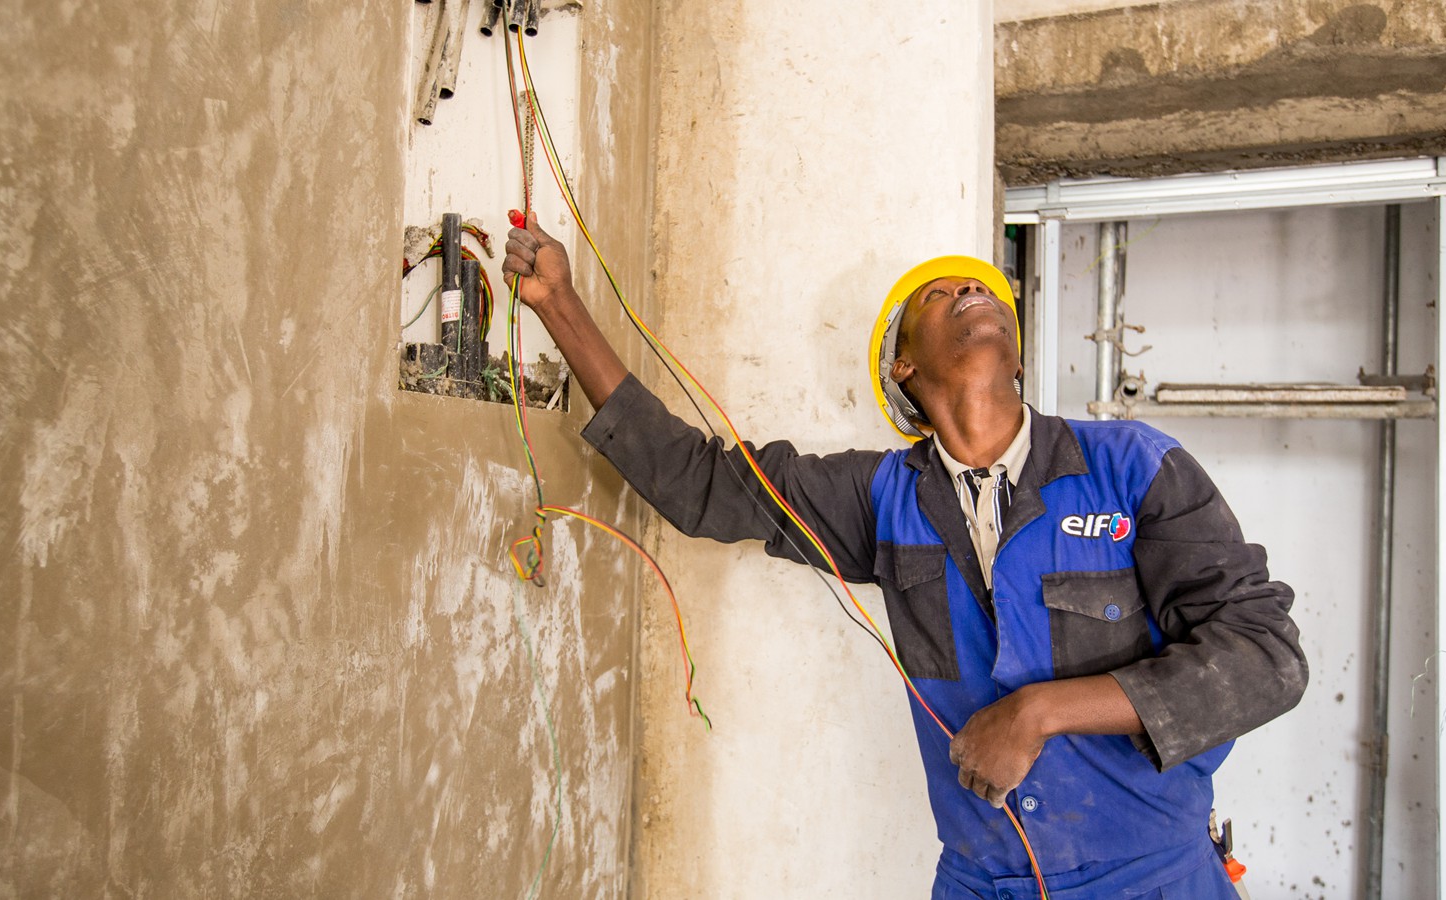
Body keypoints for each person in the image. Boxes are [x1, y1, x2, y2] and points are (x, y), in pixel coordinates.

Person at [501, 218, 1307, 900]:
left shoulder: (1133, 466)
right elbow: (698, 482)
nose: (972, 293)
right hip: (983, 881)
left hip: (1156, 875)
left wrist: (1040, 712)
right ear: (904, 366)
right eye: (941, 294)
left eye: (985, 291)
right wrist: (560, 305)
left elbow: (1266, 658)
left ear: (1016, 357)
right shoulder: (879, 497)